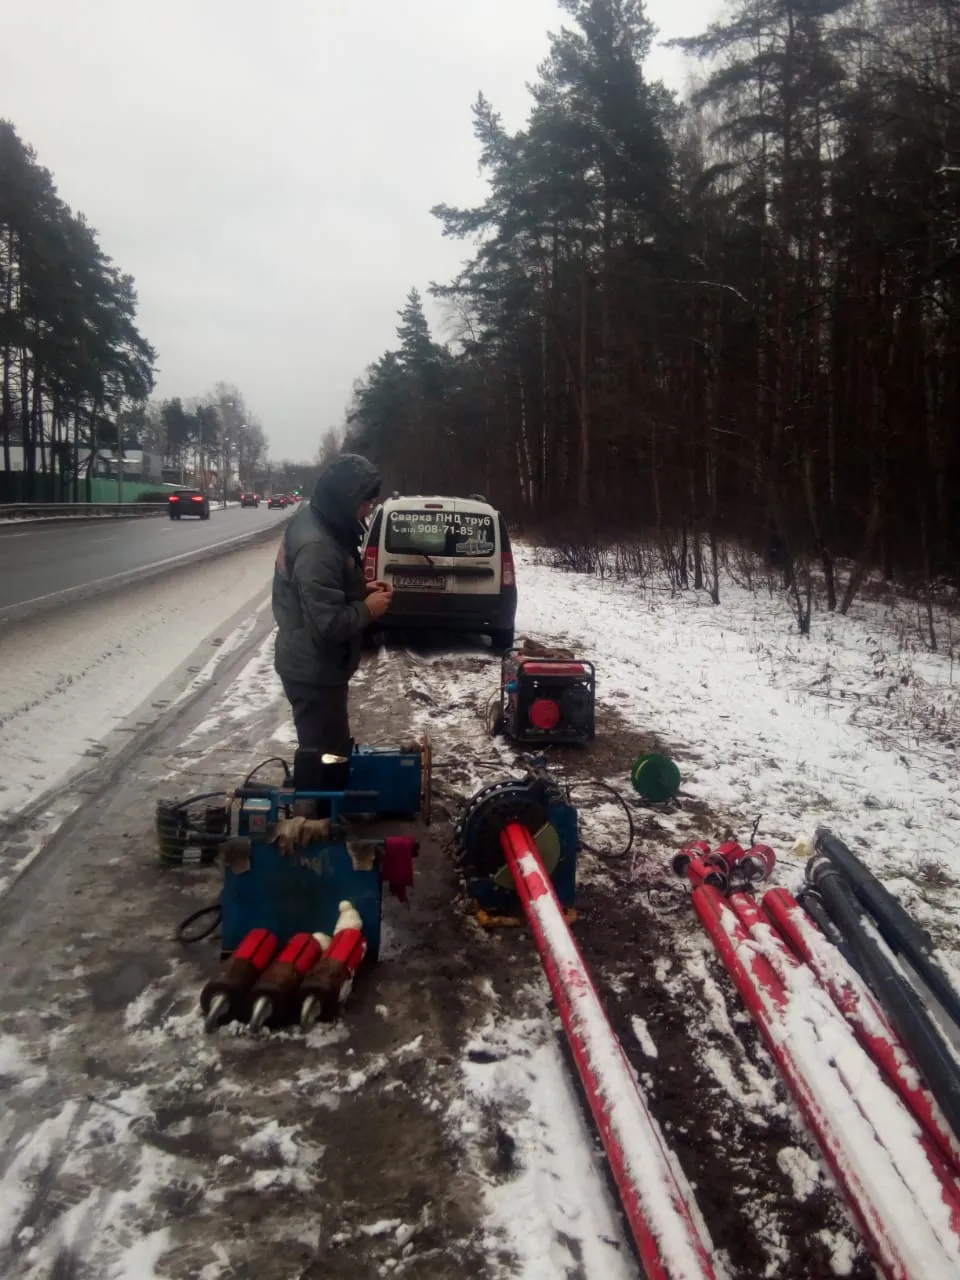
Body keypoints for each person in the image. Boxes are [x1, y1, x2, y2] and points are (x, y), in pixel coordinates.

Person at [272, 452, 392, 754]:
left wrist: (362, 591)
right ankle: (313, 802)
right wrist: (369, 608)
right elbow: (327, 623)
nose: (367, 511)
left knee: (330, 750)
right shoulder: (317, 546)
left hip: (319, 667)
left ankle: (322, 795)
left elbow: (321, 593)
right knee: (323, 758)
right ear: (345, 498)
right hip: (312, 672)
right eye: (364, 503)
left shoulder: (323, 522)